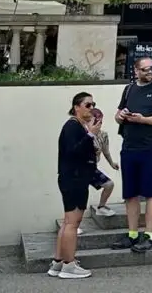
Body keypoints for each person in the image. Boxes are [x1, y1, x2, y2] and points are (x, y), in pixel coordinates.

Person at [111, 55, 152, 254]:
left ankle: (149, 235)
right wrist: (120, 116)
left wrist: (143, 120)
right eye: (145, 69)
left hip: (149, 147)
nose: (150, 72)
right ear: (136, 71)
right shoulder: (129, 89)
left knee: (151, 193)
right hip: (129, 146)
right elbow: (118, 113)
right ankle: (131, 234)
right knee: (130, 194)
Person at [48, 92, 99, 279]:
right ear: (77, 107)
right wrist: (90, 136)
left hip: (74, 178)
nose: (91, 108)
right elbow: (73, 152)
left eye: (93, 104)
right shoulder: (72, 127)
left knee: (68, 222)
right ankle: (69, 265)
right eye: (87, 105)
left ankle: (58, 262)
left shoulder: (78, 126)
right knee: (72, 223)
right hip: (74, 178)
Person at [89, 108, 119, 218]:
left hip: (91, 168)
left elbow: (105, 151)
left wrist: (111, 163)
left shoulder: (103, 135)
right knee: (78, 196)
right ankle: (72, 223)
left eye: (100, 122)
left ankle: (101, 207)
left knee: (109, 184)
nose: (98, 124)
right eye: (95, 122)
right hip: (79, 168)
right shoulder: (83, 134)